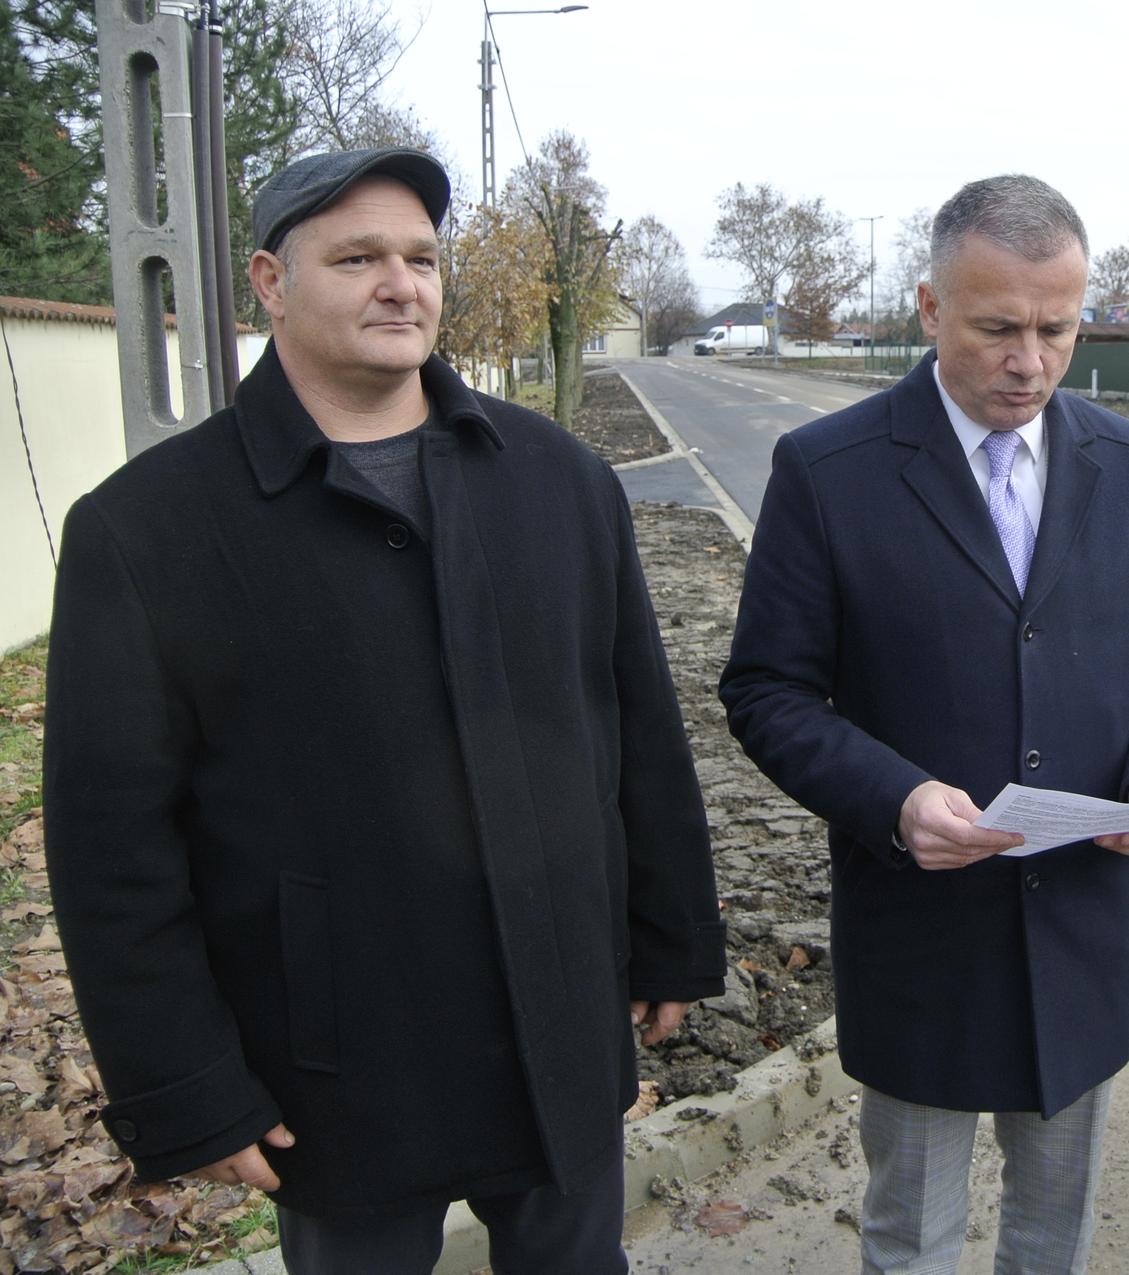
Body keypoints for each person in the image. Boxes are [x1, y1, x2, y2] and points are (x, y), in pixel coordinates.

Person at [43, 147, 724, 1275]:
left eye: (421, 258)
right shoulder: (146, 530)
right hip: (333, 1059)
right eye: (357, 258)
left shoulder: (560, 482)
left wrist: (672, 937)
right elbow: (112, 843)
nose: (401, 285)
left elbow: (640, 734)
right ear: (270, 282)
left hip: (556, 1017)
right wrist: (183, 1082)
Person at [719, 174, 1129, 1274]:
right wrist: (895, 799)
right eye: (997, 328)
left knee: (1052, 1238)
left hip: (1080, 933)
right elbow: (767, 690)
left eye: (1057, 329)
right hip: (922, 936)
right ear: (931, 308)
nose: (1029, 360)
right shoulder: (829, 471)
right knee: (911, 1237)